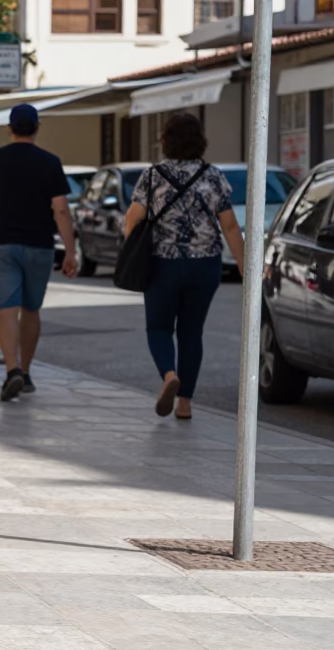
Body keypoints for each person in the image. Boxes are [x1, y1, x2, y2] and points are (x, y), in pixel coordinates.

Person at [123, 113, 245, 420]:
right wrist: (245, 266)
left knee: (159, 328)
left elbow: (132, 218)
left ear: (165, 140)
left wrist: (132, 252)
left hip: (162, 264)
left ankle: (168, 375)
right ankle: (186, 403)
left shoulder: (152, 176)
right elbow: (230, 226)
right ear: (199, 140)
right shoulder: (213, 176)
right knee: (192, 333)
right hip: (205, 266)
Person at [0, 104, 80, 402]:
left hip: (2, 245)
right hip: (40, 246)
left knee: (7, 308)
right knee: (31, 309)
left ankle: (12, 370)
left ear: (10, 128)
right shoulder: (50, 162)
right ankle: (27, 372)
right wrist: (70, 251)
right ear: (37, 128)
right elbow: (60, 209)